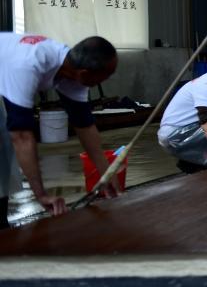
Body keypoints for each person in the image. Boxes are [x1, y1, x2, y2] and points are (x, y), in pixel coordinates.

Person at [0, 34, 119, 224]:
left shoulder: (71, 71)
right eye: (104, 77)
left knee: (3, 156)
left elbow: (85, 126)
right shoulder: (28, 65)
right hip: (13, 69)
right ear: (84, 73)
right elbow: (22, 136)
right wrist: (41, 195)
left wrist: (106, 174)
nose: (102, 83)